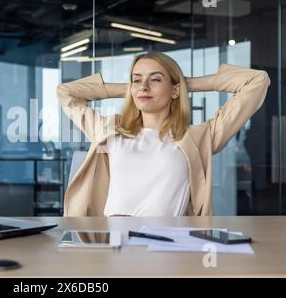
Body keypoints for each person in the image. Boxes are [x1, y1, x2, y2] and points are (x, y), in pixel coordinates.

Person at [56, 51, 271, 217]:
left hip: (170, 244)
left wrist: (186, 85)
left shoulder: (198, 137)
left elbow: (257, 81)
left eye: (155, 79)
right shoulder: (110, 131)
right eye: (137, 79)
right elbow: (66, 92)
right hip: (115, 243)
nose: (144, 87)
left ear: (175, 90)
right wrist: (131, 89)